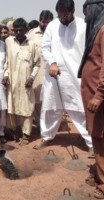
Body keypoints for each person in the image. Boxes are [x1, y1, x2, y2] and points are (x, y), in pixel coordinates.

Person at [33, 0, 93, 158]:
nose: (62, 18)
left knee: (79, 108)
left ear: (73, 11)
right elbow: (44, 47)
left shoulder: (84, 25)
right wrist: (52, 62)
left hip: (76, 75)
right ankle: (47, 137)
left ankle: (91, 143)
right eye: (59, 15)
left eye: (65, 15)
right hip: (54, 74)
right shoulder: (52, 26)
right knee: (50, 107)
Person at [78, 0, 104, 198]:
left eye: (86, 12)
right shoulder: (97, 30)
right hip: (93, 97)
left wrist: (99, 94)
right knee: (97, 137)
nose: (85, 17)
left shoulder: (103, 31)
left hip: (99, 99)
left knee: (100, 138)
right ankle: (99, 173)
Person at [2, 18, 40, 145]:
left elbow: (37, 64)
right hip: (12, 81)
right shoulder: (8, 42)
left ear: (26, 30)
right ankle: (13, 132)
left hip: (26, 82)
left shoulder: (32, 45)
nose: (18, 32)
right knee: (11, 107)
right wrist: (6, 75)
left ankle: (26, 134)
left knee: (27, 107)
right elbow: (6, 62)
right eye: (16, 30)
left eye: (21, 30)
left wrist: (31, 78)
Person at [27, 10, 53, 126]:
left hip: (51, 70)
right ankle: (38, 121)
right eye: (43, 22)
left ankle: (49, 122)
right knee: (37, 98)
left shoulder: (55, 33)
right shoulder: (31, 34)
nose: (45, 25)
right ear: (39, 21)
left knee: (50, 98)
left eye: (48, 22)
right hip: (37, 71)